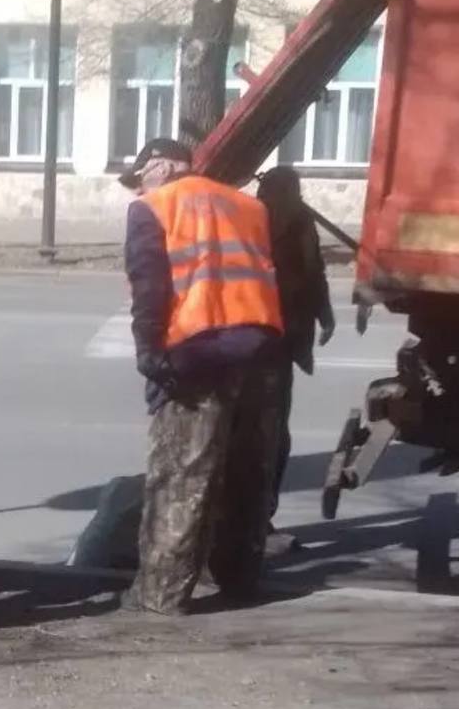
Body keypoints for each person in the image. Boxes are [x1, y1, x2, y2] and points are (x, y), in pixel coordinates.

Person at [119, 139, 285, 615]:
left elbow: (149, 285)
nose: (139, 186)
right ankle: (240, 579)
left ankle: (159, 597)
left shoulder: (154, 208)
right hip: (260, 353)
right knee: (247, 475)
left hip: (197, 356)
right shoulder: (248, 205)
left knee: (181, 479)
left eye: (142, 174)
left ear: (166, 165)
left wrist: (150, 353)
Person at [255, 166, 335, 518]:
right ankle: (260, 512)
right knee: (270, 430)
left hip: (262, 337)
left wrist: (324, 313)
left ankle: (258, 514)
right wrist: (324, 314)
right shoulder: (294, 221)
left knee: (263, 431)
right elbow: (314, 271)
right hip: (276, 338)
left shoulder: (260, 220)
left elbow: (313, 270)